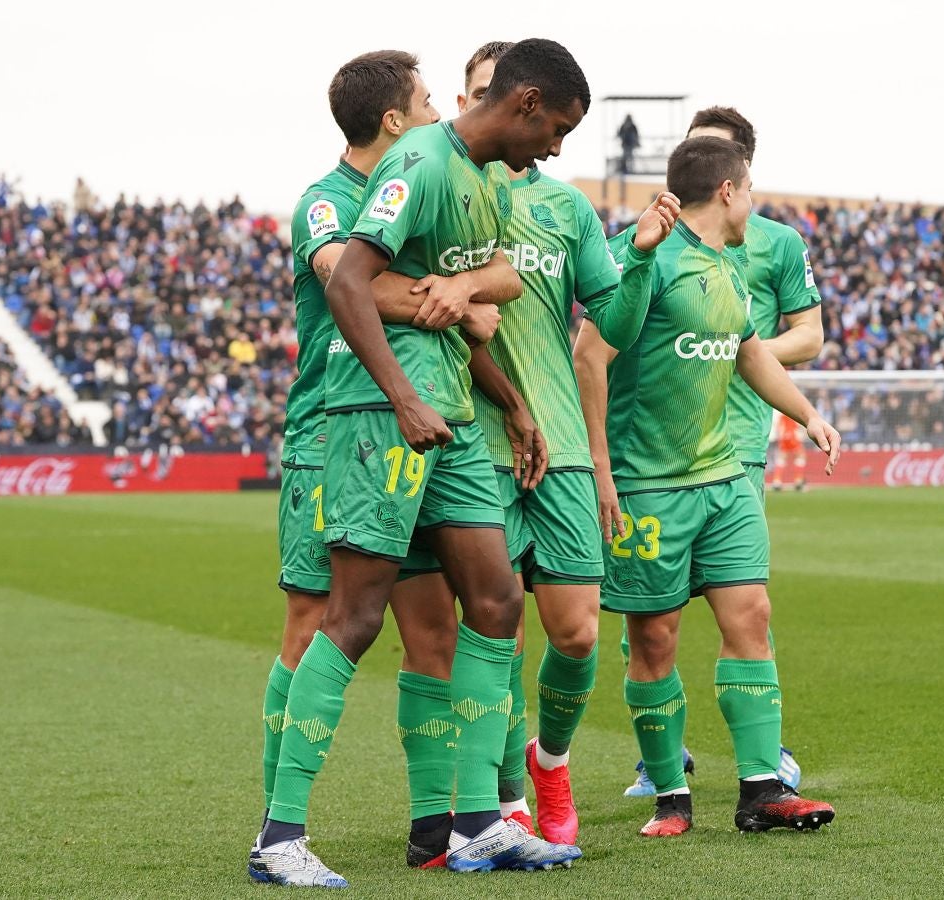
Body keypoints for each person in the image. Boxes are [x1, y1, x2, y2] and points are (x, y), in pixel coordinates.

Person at [254, 38, 592, 885]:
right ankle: (279, 837)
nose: (556, 147)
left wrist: (506, 392)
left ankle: (477, 821)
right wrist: (403, 394)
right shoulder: (419, 162)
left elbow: (498, 277)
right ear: (523, 105)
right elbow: (348, 283)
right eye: (556, 127)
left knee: (495, 599)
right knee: (354, 617)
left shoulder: (481, 180)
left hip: (449, 418)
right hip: (378, 416)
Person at [446, 41, 680, 846]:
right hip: (476, 440)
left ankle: (549, 759)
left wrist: (640, 261)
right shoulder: (448, 187)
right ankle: (504, 797)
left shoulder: (568, 208)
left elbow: (609, 323)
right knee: (496, 624)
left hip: (564, 445)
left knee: (578, 631)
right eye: (476, 89)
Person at [574, 135, 840, 838]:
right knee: (654, 638)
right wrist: (601, 469)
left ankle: (761, 791)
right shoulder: (646, 256)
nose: (753, 202)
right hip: (647, 487)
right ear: (727, 191)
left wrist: (807, 414)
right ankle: (670, 796)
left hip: (723, 479)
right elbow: (589, 353)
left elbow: (750, 351)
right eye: (749, 189)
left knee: (750, 615)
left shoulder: (728, 266)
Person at [770, 412, 807, 491]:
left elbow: (778, 425)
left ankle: (777, 481)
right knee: (800, 455)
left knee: (782, 458)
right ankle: (798, 481)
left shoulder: (779, 412)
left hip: (784, 436)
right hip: (792, 435)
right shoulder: (790, 409)